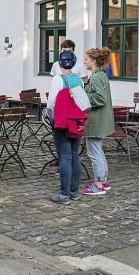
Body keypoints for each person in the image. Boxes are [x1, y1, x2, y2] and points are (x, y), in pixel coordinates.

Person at [46, 50, 85, 205]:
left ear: (60, 63)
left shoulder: (58, 79)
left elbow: (52, 104)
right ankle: (75, 191)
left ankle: (64, 194)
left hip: (63, 123)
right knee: (75, 156)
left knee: (64, 157)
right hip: (77, 122)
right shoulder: (79, 80)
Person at [81, 48, 113, 196]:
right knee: (98, 151)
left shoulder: (96, 78)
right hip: (100, 119)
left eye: (86, 59)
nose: (84, 61)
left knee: (94, 152)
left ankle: (99, 184)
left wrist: (83, 98)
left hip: (95, 121)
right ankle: (104, 181)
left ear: (93, 61)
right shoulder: (101, 76)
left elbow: (100, 98)